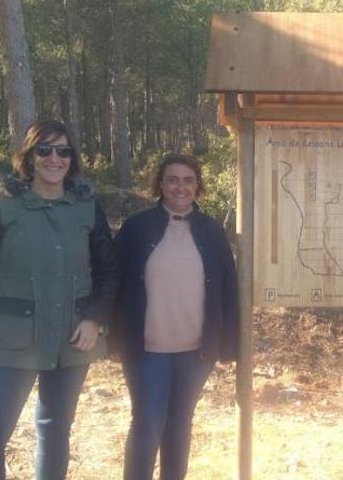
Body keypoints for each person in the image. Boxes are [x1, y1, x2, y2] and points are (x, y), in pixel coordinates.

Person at [0, 119, 118, 480]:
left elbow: (108, 270)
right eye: (44, 150)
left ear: (72, 158)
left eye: (63, 150)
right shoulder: (2, 201)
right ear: (29, 156)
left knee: (55, 427)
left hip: (72, 337)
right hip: (11, 339)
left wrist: (94, 318)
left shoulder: (85, 205)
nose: (54, 158)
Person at [113, 154, 239, 480]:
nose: (180, 187)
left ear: (198, 186)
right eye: (172, 179)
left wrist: (230, 344)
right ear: (161, 184)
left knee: (180, 424)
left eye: (188, 180)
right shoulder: (137, 228)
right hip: (147, 351)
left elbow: (228, 289)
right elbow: (112, 280)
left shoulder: (212, 231)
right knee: (148, 423)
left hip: (195, 352)